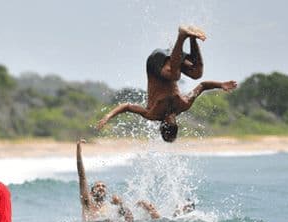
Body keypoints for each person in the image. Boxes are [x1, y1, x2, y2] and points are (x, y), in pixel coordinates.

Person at [96, 25, 238, 142]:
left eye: (167, 120)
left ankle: (182, 35)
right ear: (176, 122)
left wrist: (108, 116)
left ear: (163, 123)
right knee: (196, 73)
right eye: (172, 120)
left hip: (154, 62)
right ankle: (192, 37)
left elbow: (127, 106)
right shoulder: (184, 104)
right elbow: (203, 86)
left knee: (174, 75)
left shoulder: (152, 113)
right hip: (171, 57)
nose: (170, 116)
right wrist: (221, 85)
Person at [76, 139, 134, 222]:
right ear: (91, 193)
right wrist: (78, 152)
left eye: (103, 186)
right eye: (98, 186)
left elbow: (130, 221)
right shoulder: (87, 203)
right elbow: (82, 177)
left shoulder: (109, 207)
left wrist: (121, 205)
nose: (101, 187)